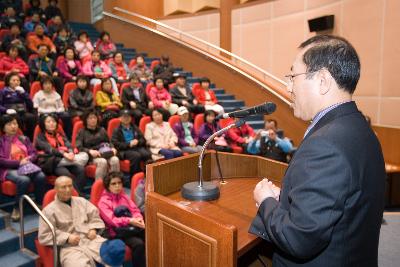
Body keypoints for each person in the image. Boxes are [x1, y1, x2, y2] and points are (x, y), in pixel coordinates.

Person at [249, 35, 386, 267]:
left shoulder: (326, 143)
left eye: (293, 76)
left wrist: (266, 201)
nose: (288, 86)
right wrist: (287, 199)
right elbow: (342, 199)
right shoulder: (360, 128)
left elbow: (299, 239)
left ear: (322, 80)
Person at [38, 176, 109, 267]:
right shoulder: (48, 211)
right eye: (63, 187)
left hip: (91, 239)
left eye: (70, 186)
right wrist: (67, 237)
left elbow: (94, 218)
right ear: (55, 188)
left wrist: (93, 229)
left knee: (113, 254)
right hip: (69, 247)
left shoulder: (82, 201)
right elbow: (44, 235)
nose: (68, 190)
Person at [0, 114, 46, 221]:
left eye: (15, 123)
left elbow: (34, 153)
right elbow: (1, 160)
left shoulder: (24, 139)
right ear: (3, 127)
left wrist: (28, 160)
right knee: (23, 180)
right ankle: (17, 208)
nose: (13, 126)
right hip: (9, 169)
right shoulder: (1, 142)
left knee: (41, 176)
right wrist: (19, 163)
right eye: (9, 124)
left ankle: (39, 203)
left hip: (27, 166)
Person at [98, 171, 146, 267]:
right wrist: (130, 220)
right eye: (114, 183)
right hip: (115, 232)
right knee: (138, 244)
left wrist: (139, 219)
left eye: (119, 183)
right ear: (108, 186)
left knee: (150, 233)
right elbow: (112, 221)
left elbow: (135, 210)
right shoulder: (103, 202)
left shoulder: (123, 196)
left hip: (130, 227)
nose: (117, 186)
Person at [35, 113, 88, 194]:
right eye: (48, 122)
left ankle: (76, 192)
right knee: (66, 175)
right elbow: (49, 149)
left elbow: (69, 145)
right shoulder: (40, 137)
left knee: (81, 170)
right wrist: (64, 154)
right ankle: (78, 196)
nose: (51, 123)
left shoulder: (59, 134)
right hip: (54, 162)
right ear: (43, 124)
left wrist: (70, 153)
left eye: (53, 121)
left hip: (67, 159)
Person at [76, 110, 120, 180]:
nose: (93, 120)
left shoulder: (102, 129)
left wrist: (112, 148)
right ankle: (99, 186)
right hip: (92, 156)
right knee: (102, 162)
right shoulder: (82, 132)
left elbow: (109, 142)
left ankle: (114, 182)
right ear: (86, 120)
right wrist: (90, 151)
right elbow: (79, 147)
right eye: (90, 118)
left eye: (94, 118)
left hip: (105, 153)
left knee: (115, 159)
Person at [111, 109, 152, 175]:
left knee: (147, 154)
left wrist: (138, 142)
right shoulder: (117, 130)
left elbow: (143, 139)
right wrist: (128, 144)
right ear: (120, 118)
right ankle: (135, 176)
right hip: (124, 150)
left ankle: (149, 174)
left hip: (137, 147)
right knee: (136, 156)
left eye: (128, 117)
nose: (126, 118)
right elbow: (115, 144)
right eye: (124, 117)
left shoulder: (134, 127)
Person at [0, 72, 36, 139]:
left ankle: (30, 139)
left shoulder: (21, 91)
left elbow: (31, 105)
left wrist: (24, 93)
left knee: (31, 117)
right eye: (13, 80)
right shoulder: (3, 92)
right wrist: (6, 110)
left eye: (18, 80)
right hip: (9, 112)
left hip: (22, 111)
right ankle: (19, 138)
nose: (16, 82)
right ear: (9, 82)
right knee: (17, 119)